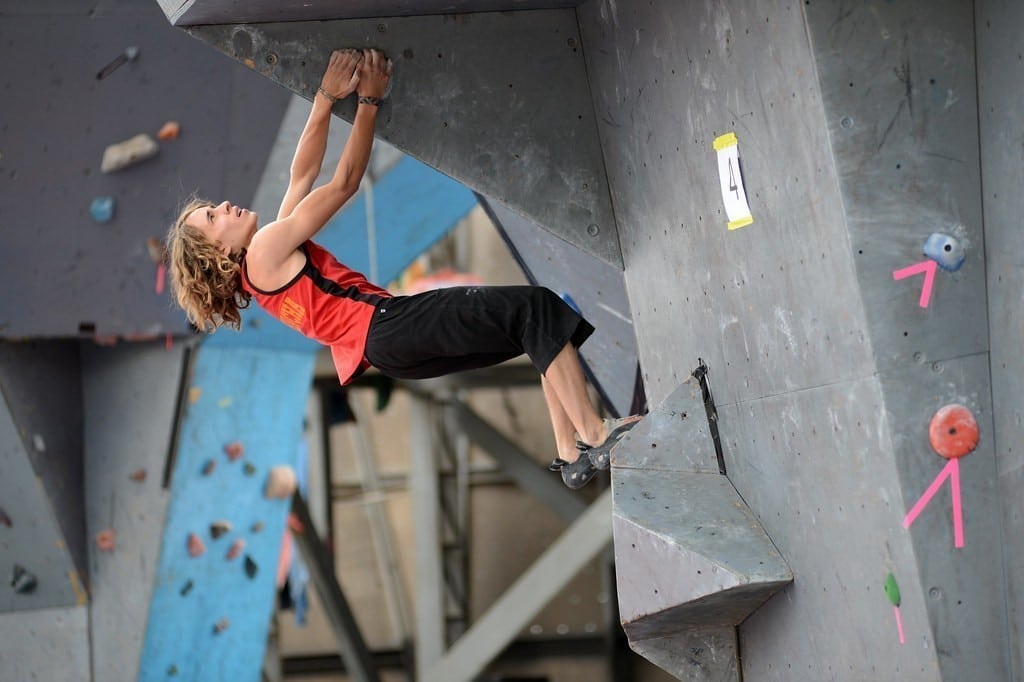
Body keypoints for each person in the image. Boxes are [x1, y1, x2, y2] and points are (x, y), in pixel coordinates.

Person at [166, 48, 639, 489]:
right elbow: (344, 183)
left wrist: (325, 98)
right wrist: (368, 101)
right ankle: (596, 436)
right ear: (219, 254)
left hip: (391, 352)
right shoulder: (264, 250)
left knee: (534, 325)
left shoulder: (263, 269)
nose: (223, 206)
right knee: (534, 310)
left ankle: (571, 452)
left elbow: (302, 175)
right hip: (390, 326)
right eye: (213, 218)